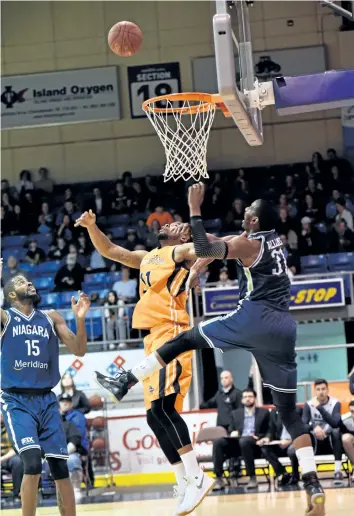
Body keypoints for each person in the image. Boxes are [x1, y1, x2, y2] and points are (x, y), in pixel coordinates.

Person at [97, 186, 326, 516]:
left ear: (254, 218)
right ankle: (312, 484)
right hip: (284, 328)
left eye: (248, 207)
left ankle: (125, 380)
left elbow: (209, 245)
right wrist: (199, 261)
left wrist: (194, 209)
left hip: (255, 317)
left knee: (183, 341)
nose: (244, 208)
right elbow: (219, 245)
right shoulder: (272, 239)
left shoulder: (249, 242)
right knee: (289, 413)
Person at [74, 209, 215, 516]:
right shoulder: (148, 256)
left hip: (171, 333)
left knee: (164, 408)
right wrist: (92, 227)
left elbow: (207, 249)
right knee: (154, 416)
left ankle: (198, 476)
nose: (171, 223)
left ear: (184, 236)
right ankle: (184, 482)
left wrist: (200, 253)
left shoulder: (180, 251)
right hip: (151, 338)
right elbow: (110, 250)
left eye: (179, 225)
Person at [0, 259, 91, 516]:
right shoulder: (6, 317)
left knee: (60, 469)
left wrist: (80, 320)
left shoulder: (51, 318)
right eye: (20, 282)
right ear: (10, 295)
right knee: (31, 463)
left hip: (47, 401)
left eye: (28, 280)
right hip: (17, 400)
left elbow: (80, 350)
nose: (28, 282)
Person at [302, 379, 344, 486]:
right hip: (315, 441)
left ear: (327, 390)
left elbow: (335, 423)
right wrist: (314, 427)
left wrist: (320, 408)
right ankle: (311, 473)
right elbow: (303, 425)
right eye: (318, 389)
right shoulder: (308, 404)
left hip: (331, 440)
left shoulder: (335, 403)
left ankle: (338, 471)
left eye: (323, 389)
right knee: (306, 435)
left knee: (336, 431)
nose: (321, 392)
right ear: (315, 391)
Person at [227, 389, 270, 489]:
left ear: (255, 398)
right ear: (242, 400)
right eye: (245, 397)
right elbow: (231, 428)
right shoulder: (235, 413)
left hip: (255, 443)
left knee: (245, 441)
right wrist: (232, 432)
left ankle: (252, 477)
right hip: (237, 443)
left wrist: (262, 437)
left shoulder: (264, 413)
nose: (247, 399)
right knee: (219, 442)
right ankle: (219, 478)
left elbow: (269, 430)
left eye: (250, 396)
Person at [259, 407, 300, 487]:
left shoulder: (297, 410)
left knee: (292, 451)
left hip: (294, 440)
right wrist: (267, 438)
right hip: (280, 441)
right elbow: (271, 428)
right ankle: (282, 473)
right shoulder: (274, 411)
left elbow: (303, 429)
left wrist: (290, 440)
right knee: (265, 448)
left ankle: (295, 476)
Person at [1, 413, 24, 499]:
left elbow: (16, 448)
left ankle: (17, 493)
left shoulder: (12, 427)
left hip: (8, 457)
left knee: (17, 461)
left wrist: (2, 459)